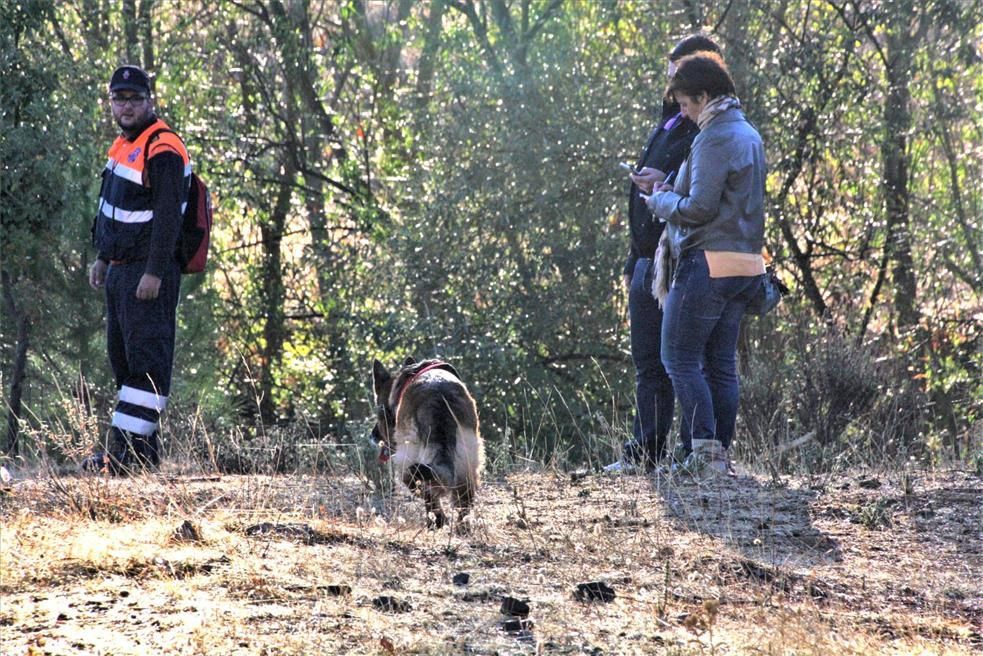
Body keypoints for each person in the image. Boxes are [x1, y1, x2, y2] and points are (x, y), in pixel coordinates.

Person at [646, 52, 767, 474]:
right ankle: (718, 453)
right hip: (746, 265)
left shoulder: (714, 136)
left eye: (684, 104)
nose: (684, 114)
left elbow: (698, 208)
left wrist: (660, 200)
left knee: (676, 356)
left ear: (703, 96)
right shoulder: (748, 132)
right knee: (719, 364)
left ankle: (705, 453)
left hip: (708, 263)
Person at [609, 35, 722, 473]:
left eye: (678, 72)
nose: (670, 81)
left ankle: (690, 452)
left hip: (677, 259)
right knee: (648, 363)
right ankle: (644, 453)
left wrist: (666, 177)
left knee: (681, 360)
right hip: (643, 258)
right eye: (670, 70)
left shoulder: (705, 125)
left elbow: (700, 188)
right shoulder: (669, 118)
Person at [83, 65, 191, 474]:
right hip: (119, 272)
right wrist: (102, 258)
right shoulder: (124, 145)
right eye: (119, 98)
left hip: (147, 277)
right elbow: (112, 210)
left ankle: (124, 458)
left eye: (134, 98)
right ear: (110, 102)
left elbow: (167, 219)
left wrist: (155, 272)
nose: (126, 106)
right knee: (125, 365)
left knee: (147, 367)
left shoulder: (163, 147)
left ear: (150, 101)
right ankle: (138, 456)